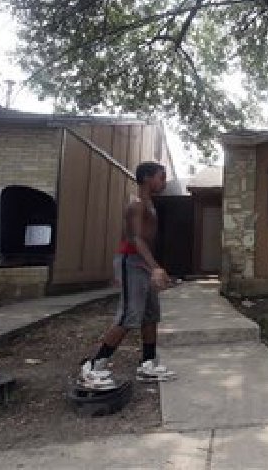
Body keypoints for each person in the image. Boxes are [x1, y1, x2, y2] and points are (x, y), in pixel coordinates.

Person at [78, 161, 175, 389]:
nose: (163, 182)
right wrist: (155, 268)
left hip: (143, 263)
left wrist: (155, 266)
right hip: (131, 262)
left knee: (150, 315)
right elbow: (135, 239)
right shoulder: (137, 205)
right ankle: (94, 367)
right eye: (161, 177)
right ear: (147, 178)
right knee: (129, 315)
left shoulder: (150, 204)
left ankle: (148, 364)